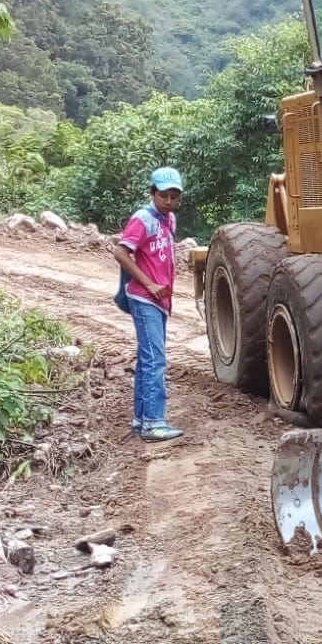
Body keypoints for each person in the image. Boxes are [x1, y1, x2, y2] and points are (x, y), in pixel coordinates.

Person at [111, 167, 185, 442]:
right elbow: (121, 252)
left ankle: (141, 420)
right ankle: (154, 422)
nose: (169, 201)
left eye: (174, 196)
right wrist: (149, 284)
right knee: (155, 360)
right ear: (153, 193)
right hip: (144, 298)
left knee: (147, 360)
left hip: (159, 300)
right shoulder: (143, 219)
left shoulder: (169, 220)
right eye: (164, 195)